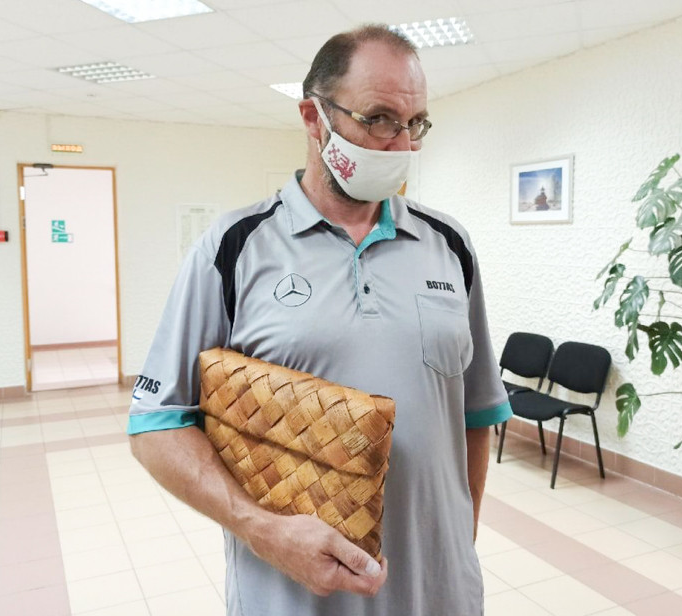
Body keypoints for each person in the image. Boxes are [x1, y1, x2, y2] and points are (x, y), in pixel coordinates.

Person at [129, 24, 512, 616]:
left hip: (439, 596)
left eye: (415, 124)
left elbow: (475, 414)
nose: (401, 145)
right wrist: (259, 529)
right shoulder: (233, 248)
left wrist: (456, 543)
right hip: (294, 599)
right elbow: (156, 425)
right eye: (379, 119)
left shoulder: (449, 246)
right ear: (314, 116)